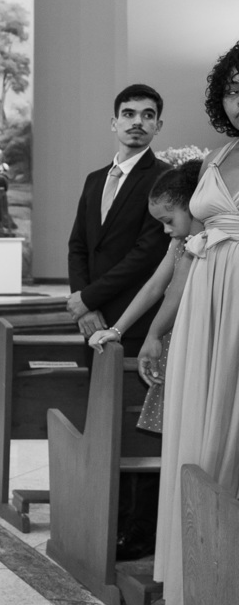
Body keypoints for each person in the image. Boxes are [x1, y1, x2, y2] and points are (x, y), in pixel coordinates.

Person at [154, 42, 239, 605]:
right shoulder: (218, 155)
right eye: (232, 89)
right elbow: (188, 251)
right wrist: (160, 329)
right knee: (199, 431)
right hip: (206, 304)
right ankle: (199, 584)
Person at [86, 161, 203, 561]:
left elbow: (177, 292)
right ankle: (157, 529)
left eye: (169, 220)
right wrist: (118, 329)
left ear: (193, 204)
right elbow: (156, 285)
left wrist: (152, 335)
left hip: (194, 341)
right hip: (173, 339)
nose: (167, 230)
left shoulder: (207, 240)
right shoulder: (181, 242)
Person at [67, 84, 170, 350]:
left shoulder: (165, 178)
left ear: (158, 126)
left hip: (136, 318)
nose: (137, 121)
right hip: (91, 320)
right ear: (114, 123)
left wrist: (88, 298)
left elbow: (147, 253)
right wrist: (84, 305)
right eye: (128, 114)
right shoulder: (94, 180)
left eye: (148, 115)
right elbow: (78, 246)